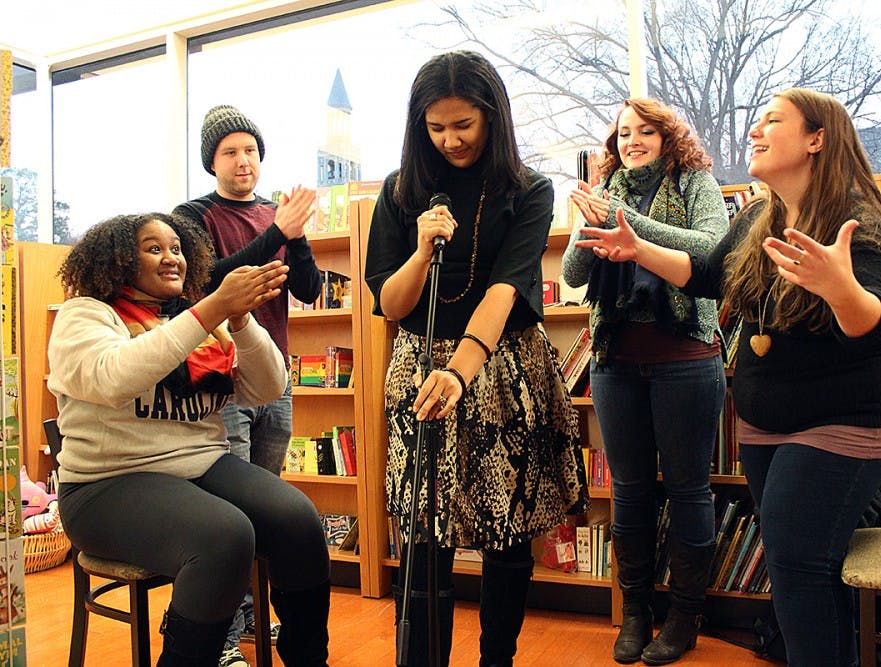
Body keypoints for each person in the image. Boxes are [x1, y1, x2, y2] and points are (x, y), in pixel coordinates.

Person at [574, 88, 881, 667]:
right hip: (764, 422)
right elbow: (707, 272)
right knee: (798, 564)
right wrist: (637, 248)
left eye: (771, 121)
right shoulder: (762, 213)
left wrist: (840, 289)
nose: (754, 131)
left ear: (816, 138)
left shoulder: (855, 218)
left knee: (797, 562)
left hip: (843, 419)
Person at [364, 50, 590, 667]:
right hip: (419, 367)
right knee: (423, 527)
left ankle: (499, 659)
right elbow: (390, 302)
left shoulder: (529, 189)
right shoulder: (399, 191)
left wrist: (462, 370)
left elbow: (507, 288)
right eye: (436, 127)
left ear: (494, 117)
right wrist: (420, 250)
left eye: (463, 124)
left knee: (506, 526)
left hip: (503, 368)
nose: (450, 139)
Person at [49, 212, 331, 667]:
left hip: (201, 465)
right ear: (119, 259)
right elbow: (112, 378)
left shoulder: (198, 320)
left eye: (177, 248)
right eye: (154, 248)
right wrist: (211, 309)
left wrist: (238, 321)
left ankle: (307, 658)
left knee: (299, 520)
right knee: (224, 536)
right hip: (105, 485)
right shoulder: (85, 313)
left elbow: (266, 389)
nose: (171, 258)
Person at [561, 98, 729, 665]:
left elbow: (713, 252)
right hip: (615, 361)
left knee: (687, 491)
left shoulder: (697, 182)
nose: (632, 141)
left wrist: (627, 225)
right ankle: (635, 615)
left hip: (686, 356)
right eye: (623, 133)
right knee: (628, 492)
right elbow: (573, 274)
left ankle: (683, 618)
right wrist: (590, 222)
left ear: (668, 136)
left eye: (645, 131)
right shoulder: (605, 193)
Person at [173, 104, 321, 667]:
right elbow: (205, 280)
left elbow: (306, 289)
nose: (244, 161)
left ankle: (256, 610)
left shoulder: (274, 214)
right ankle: (225, 638)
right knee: (227, 510)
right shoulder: (193, 215)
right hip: (217, 380)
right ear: (211, 160)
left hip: (274, 375)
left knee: (268, 502)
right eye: (231, 151)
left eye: (251, 151)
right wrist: (275, 235)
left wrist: (296, 237)